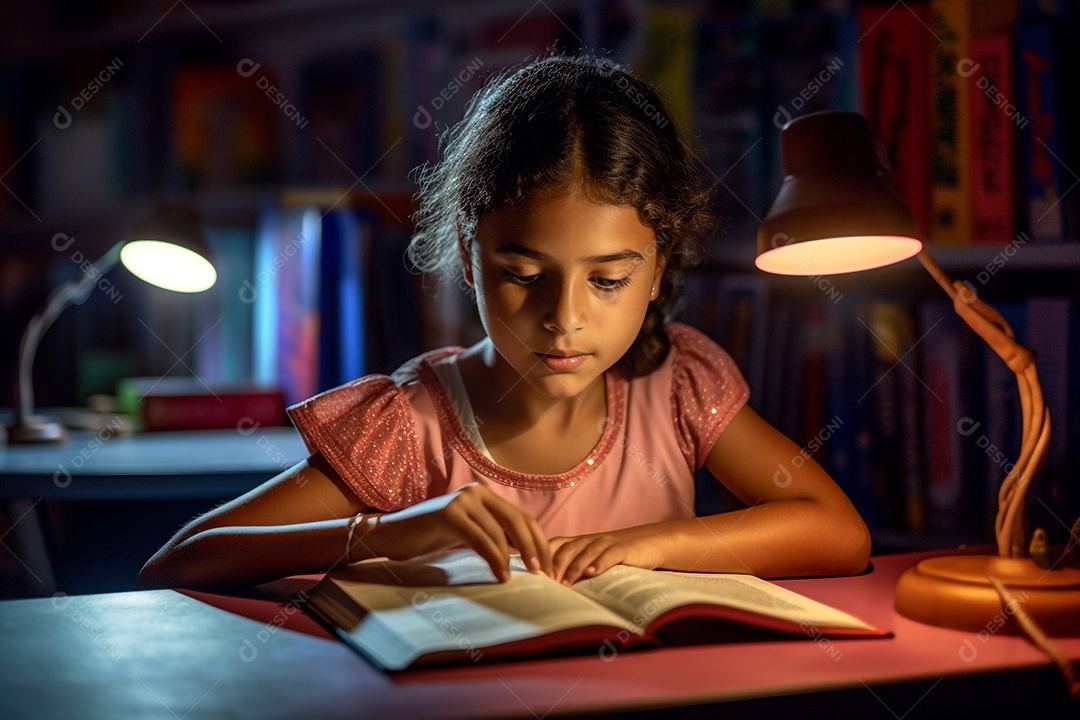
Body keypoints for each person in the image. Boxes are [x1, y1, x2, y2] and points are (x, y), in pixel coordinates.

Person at [139, 55, 870, 591]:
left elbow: (837, 532)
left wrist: (650, 544)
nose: (564, 319)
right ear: (467, 254)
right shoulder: (411, 426)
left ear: (659, 265)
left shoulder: (677, 385)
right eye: (524, 277)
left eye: (609, 280)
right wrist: (386, 532)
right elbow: (180, 560)